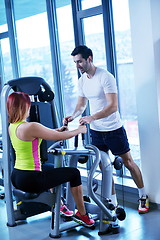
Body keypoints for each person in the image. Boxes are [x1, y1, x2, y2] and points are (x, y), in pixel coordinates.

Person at [64, 45, 149, 214]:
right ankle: (113, 203)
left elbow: (113, 106)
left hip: (113, 129)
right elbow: (81, 105)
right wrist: (73, 116)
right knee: (105, 166)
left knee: (129, 163)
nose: (77, 65)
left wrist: (92, 117)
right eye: (75, 62)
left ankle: (143, 196)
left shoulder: (105, 77)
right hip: (96, 132)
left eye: (79, 61)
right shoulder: (82, 80)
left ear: (90, 58)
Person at [7, 91, 95, 227]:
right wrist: (79, 131)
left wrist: (58, 129)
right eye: (28, 106)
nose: (30, 108)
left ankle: (59, 205)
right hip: (31, 179)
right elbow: (58, 138)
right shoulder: (31, 126)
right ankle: (82, 215)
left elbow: (45, 133)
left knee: (50, 168)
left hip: (17, 176)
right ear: (24, 107)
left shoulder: (12, 127)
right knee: (74, 173)